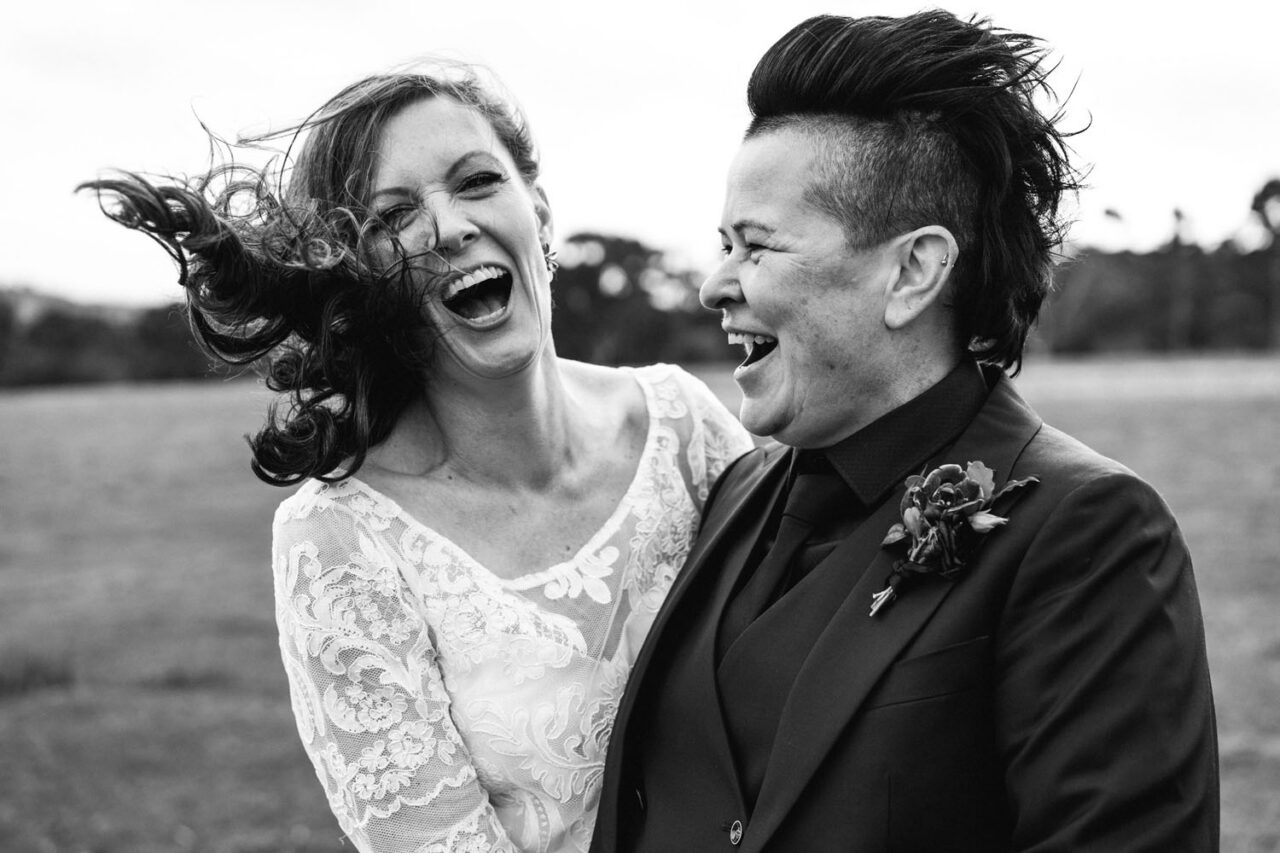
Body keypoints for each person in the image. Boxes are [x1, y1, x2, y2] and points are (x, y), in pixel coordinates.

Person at [81, 65, 753, 853]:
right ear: (357, 280)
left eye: (476, 182)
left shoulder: (683, 424)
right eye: (394, 216)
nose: (448, 227)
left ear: (538, 210)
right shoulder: (341, 542)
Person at [591, 11, 1219, 852]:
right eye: (723, 244)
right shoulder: (734, 489)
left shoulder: (1088, 533)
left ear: (913, 271)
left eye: (757, 246)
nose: (715, 285)